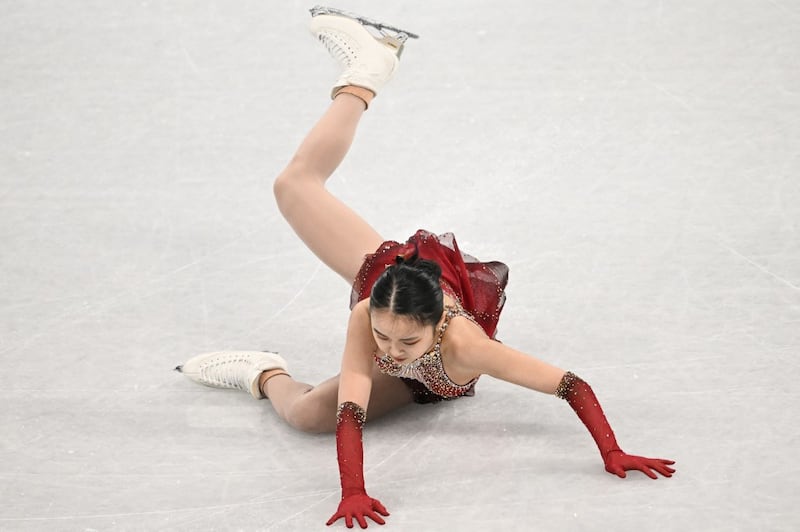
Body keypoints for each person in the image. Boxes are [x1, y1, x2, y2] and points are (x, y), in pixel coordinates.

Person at [176, 7, 676, 529]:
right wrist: (353, 490)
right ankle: (363, 76)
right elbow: (353, 404)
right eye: (382, 339)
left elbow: (571, 384)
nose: (387, 355)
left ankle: (263, 371)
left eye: (404, 345)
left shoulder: (468, 347)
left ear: (436, 326)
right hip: (399, 289)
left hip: (436, 375)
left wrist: (612, 452)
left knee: (305, 410)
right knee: (291, 191)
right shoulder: (373, 312)